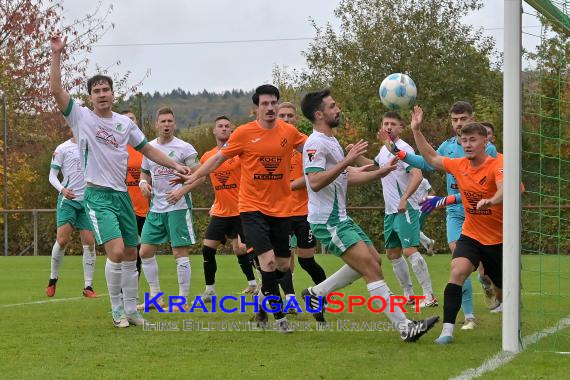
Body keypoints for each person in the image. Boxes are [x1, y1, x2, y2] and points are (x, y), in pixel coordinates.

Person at [50, 34, 190, 328]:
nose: (102, 94)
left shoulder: (124, 124)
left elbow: (148, 150)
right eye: (96, 90)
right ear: (89, 97)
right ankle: (116, 310)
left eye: (106, 89)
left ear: (114, 93)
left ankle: (132, 309)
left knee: (130, 254)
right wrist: (56, 55)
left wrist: (175, 163)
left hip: (122, 197)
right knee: (115, 252)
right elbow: (56, 90)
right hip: (98, 196)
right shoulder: (81, 117)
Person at [299, 89, 438, 341]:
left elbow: (345, 177)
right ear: (319, 114)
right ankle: (406, 328)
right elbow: (316, 181)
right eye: (332, 106)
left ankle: (316, 294)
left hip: (340, 218)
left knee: (373, 260)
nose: (337, 109)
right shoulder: (315, 143)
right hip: (327, 222)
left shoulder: (330, 140)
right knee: (372, 270)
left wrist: (379, 172)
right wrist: (347, 160)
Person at [175, 85, 306, 333]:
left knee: (282, 265)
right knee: (266, 264)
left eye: (273, 103)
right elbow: (217, 159)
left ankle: (261, 306)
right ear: (255, 108)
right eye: (265, 104)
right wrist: (192, 177)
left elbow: (313, 150)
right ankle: (280, 320)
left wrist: (345, 162)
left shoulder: (289, 132)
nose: (270, 108)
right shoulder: (244, 134)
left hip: (282, 209)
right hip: (251, 209)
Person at [389, 102, 499, 328]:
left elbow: (487, 192)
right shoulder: (448, 147)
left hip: (483, 213)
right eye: (455, 120)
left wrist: (447, 198)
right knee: (459, 263)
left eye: (464, 119)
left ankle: (487, 280)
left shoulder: (487, 150)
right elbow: (426, 162)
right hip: (456, 215)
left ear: (472, 119)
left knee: (487, 272)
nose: (459, 124)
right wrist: (398, 150)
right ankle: (468, 316)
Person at [136, 107, 201, 311]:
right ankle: (156, 297)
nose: (166, 125)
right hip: (156, 208)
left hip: (178, 208)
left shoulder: (184, 148)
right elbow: (144, 175)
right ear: (157, 124)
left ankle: (182, 300)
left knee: (179, 252)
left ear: (174, 124)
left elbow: (200, 175)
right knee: (145, 251)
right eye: (162, 121)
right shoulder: (149, 148)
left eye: (169, 121)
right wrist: (143, 185)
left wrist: (181, 192)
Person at [375, 112, 437, 308]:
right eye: (386, 123)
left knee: (410, 250)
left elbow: (417, 175)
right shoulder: (384, 150)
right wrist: (355, 156)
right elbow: (374, 167)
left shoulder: (403, 148)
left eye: (393, 124)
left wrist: (404, 198)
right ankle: (409, 295)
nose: (389, 127)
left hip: (404, 209)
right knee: (393, 254)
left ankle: (429, 296)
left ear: (401, 128)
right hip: (389, 211)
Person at [200, 116, 257, 301]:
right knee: (208, 249)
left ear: (231, 131)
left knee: (248, 249)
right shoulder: (207, 157)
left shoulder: (240, 153)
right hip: (222, 212)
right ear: (214, 131)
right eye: (220, 126)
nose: (224, 129)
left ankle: (262, 285)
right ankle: (209, 291)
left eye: (227, 126)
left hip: (242, 210)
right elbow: (202, 178)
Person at [277, 102, 327, 307]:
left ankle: (323, 294)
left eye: (290, 116)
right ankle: (290, 300)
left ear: (297, 119)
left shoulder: (306, 144)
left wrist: (288, 186)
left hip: (305, 212)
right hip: (280, 212)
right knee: (284, 260)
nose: (286, 119)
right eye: (282, 116)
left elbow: (314, 176)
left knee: (306, 260)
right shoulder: (271, 144)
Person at [45, 133, 97, 298]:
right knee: (62, 240)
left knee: (90, 243)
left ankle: (88, 286)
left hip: (87, 201)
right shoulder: (62, 148)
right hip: (68, 200)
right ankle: (53, 280)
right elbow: (52, 176)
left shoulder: (93, 146)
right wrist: (63, 190)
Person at [121, 110, 149, 277]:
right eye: (125, 119)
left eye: (131, 119)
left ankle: (152, 293)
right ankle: (126, 293)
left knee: (144, 252)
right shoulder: (115, 147)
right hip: (124, 208)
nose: (128, 122)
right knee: (128, 251)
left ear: (136, 122)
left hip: (146, 209)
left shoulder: (145, 148)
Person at [416, 178, 436, 256]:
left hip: (422, 208)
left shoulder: (423, 181)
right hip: (414, 208)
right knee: (416, 229)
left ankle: (429, 242)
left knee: (415, 229)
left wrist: (424, 200)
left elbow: (433, 192)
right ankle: (429, 249)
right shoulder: (409, 180)